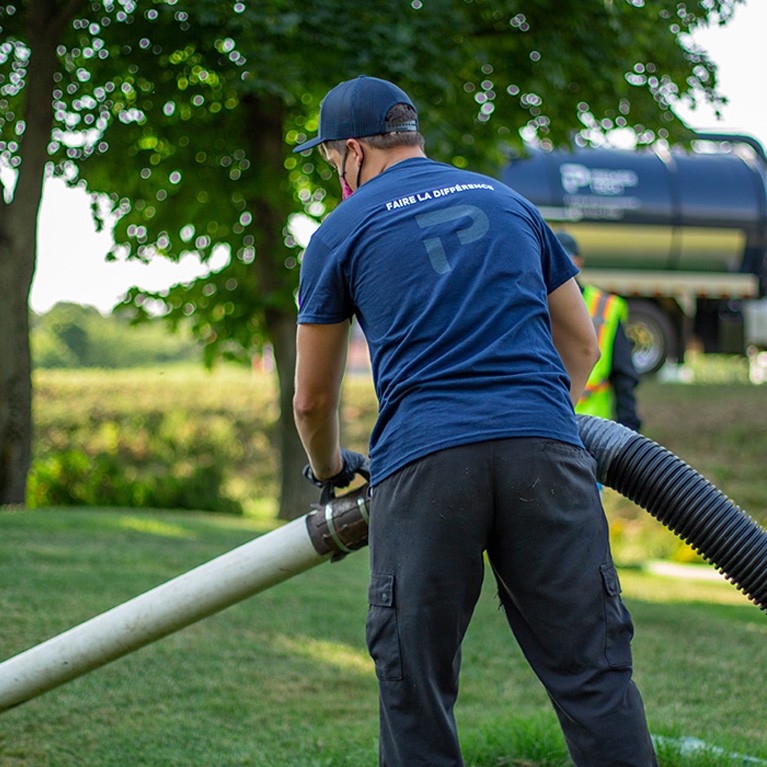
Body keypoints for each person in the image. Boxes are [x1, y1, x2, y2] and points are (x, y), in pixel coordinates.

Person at [291, 75, 657, 767]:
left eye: (327, 159)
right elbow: (578, 343)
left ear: (351, 152)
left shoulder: (338, 231)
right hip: (546, 450)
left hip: (425, 464)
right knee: (593, 671)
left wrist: (331, 468)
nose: (332, 171)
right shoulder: (509, 201)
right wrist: (545, 417)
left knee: (415, 686)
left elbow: (310, 398)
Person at [556, 231, 642, 431]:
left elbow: (623, 375)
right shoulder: (535, 303)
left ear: (578, 262)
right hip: (550, 427)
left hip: (592, 430)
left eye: (564, 259)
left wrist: (629, 426)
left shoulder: (605, 308)